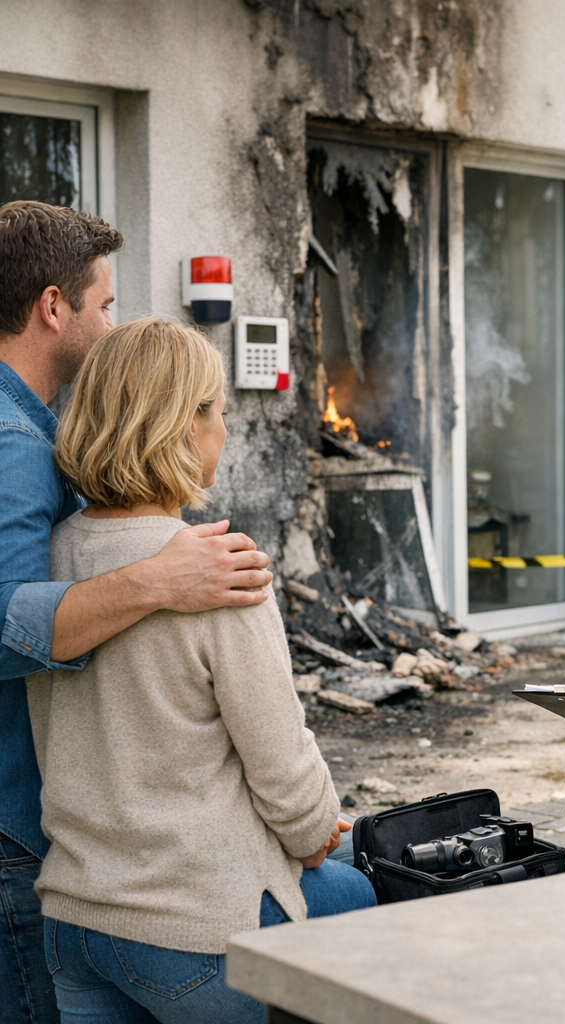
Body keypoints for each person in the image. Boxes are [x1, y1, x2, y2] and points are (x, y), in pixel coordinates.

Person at [26, 317, 376, 1023]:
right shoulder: (219, 570)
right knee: (363, 902)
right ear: (183, 426)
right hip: (195, 929)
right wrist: (313, 835)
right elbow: (282, 768)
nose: (223, 430)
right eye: (217, 411)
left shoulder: (49, 559)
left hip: (74, 921)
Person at [0, 201, 273, 1024]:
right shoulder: (15, 444)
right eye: (105, 304)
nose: (113, 325)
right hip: (22, 830)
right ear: (55, 307)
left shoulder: (37, 432)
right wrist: (158, 580)